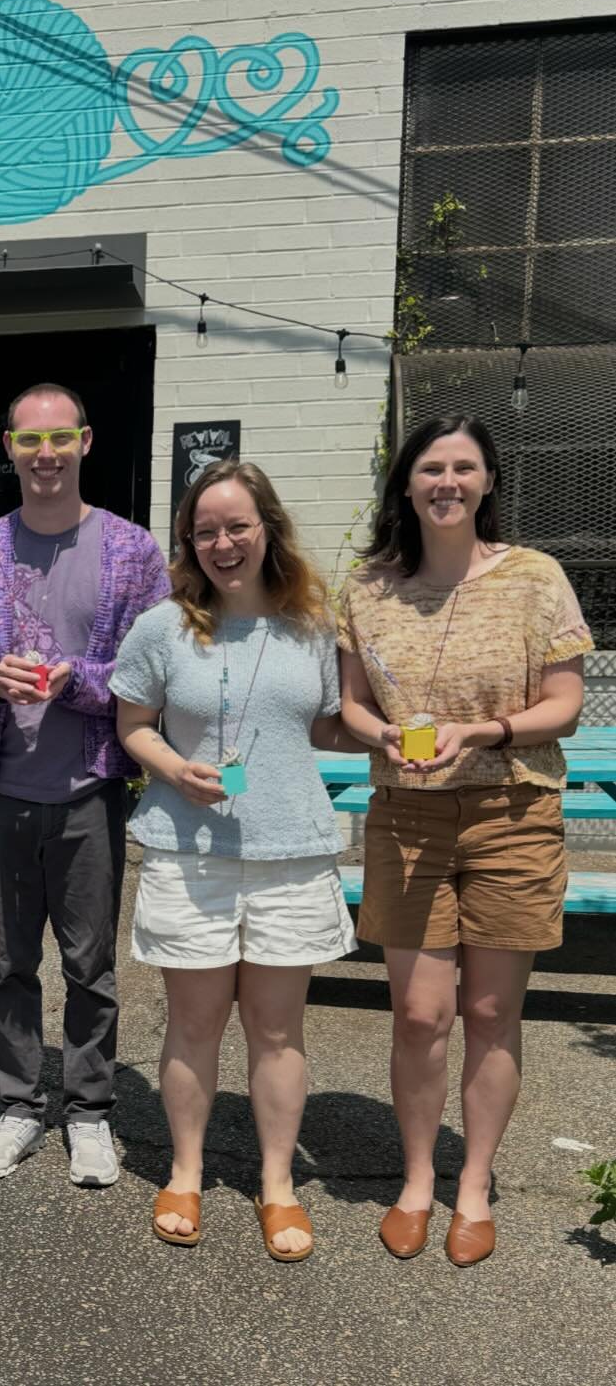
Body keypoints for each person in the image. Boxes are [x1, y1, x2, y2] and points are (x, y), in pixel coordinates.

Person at [338, 415, 589, 1267]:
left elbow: (564, 705)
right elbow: (352, 703)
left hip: (512, 811)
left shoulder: (535, 577)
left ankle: (472, 1183)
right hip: (407, 814)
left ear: (485, 481)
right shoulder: (366, 586)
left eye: (463, 467)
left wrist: (483, 733)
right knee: (417, 1013)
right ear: (405, 484)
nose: (446, 481)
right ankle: (416, 1179)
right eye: (430, 467)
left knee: (489, 1009)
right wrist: (379, 734)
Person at [111, 459, 357, 1261]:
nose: (222, 542)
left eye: (237, 525)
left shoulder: (311, 626)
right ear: (187, 540)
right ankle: (183, 1171)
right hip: (192, 853)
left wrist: (389, 729)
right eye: (205, 529)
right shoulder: (162, 627)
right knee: (192, 1024)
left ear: (267, 529)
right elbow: (132, 725)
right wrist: (172, 767)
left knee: (277, 1031)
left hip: (288, 849)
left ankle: (277, 1184)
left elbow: (324, 727)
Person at [0, 383, 169, 1188]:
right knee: (6, 960)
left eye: (59, 438)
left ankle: (91, 1109)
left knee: (88, 963)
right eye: (29, 440)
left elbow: (152, 673)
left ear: (85, 442)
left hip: (90, 784)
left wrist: (77, 680)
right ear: (9, 447)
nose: (44, 454)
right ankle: (21, 1103)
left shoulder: (133, 551)